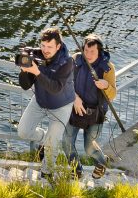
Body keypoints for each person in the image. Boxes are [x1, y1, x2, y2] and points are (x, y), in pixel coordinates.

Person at [17, 27, 75, 168]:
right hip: (40, 101)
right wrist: (25, 71)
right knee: (23, 132)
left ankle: (47, 172)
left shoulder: (67, 62)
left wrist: (37, 72)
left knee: (52, 144)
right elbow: (25, 86)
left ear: (58, 46)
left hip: (61, 105)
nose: (45, 50)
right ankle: (45, 138)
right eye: (43, 45)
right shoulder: (36, 55)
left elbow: (56, 88)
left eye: (49, 46)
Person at [67, 34, 116, 180]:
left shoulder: (108, 68)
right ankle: (76, 168)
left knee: (89, 148)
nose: (88, 55)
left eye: (92, 52)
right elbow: (67, 81)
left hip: (95, 113)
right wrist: (75, 97)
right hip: (75, 109)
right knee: (66, 142)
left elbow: (112, 94)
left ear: (99, 51)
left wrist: (106, 85)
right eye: (86, 51)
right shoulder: (76, 59)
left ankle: (102, 162)